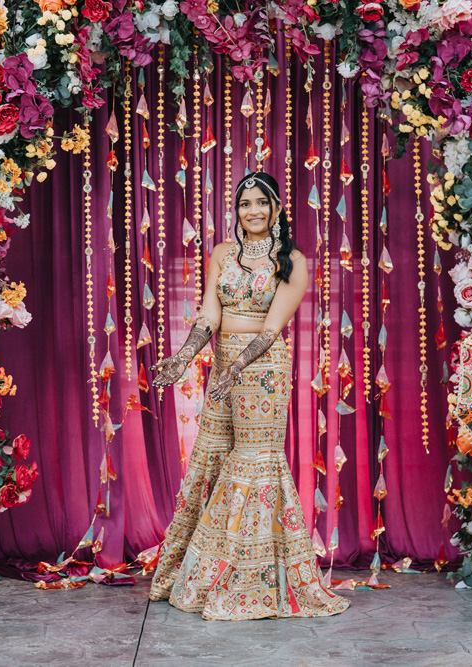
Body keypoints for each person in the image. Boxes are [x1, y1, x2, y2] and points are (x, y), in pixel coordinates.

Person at [148, 171, 349, 620]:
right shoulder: (222, 253)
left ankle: (247, 579)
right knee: (213, 457)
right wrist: (183, 357)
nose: (252, 211)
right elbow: (209, 315)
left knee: (253, 462)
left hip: (261, 370)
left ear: (276, 208)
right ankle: (202, 569)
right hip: (223, 365)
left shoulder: (291, 260)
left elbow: (273, 327)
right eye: (244, 204)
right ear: (235, 210)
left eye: (261, 202)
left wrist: (238, 367)